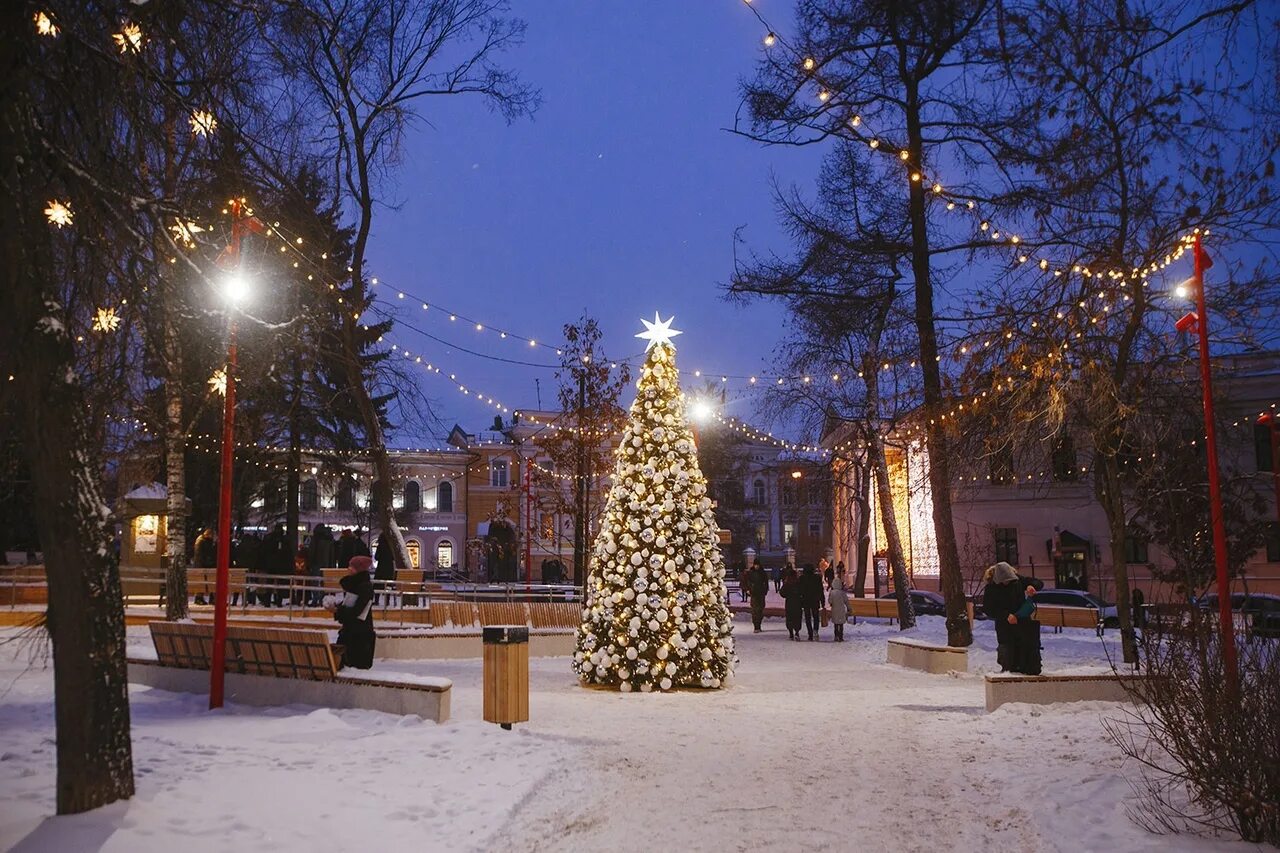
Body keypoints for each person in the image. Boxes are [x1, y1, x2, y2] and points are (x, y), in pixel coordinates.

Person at [333, 554, 377, 669]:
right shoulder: (354, 585)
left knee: (353, 666)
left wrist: (338, 611)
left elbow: (357, 610)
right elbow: (349, 605)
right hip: (350, 632)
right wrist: (337, 609)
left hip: (359, 636)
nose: (348, 569)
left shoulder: (364, 587)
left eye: (351, 566)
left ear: (358, 569)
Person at [982, 561, 1027, 672]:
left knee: (1020, 647)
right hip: (1004, 624)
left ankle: (1019, 667)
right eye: (1005, 580)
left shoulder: (1016, 582)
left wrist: (1030, 586)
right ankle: (1007, 668)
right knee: (1006, 647)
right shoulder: (991, 588)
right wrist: (1006, 615)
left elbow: (1037, 583)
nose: (1007, 582)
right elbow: (988, 609)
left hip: (1019, 621)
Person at [1008, 584, 1043, 675]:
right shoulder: (1027, 598)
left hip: (1019, 626)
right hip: (1027, 627)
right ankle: (1029, 665)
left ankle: (1024, 665)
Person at [306, 523, 335, 606]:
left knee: (315, 582)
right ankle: (322, 600)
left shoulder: (316, 539)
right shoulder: (330, 539)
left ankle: (315, 599)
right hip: (327, 564)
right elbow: (332, 554)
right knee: (324, 583)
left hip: (316, 563)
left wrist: (310, 563)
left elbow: (312, 552)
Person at [798, 564, 824, 641]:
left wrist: (800, 601)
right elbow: (820, 590)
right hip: (815, 600)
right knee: (816, 617)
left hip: (806, 600)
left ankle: (810, 633)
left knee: (807, 617)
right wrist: (822, 601)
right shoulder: (817, 578)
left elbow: (800, 591)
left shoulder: (802, 578)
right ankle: (815, 630)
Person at [192, 528, 216, 605]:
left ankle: (200, 598)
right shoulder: (203, 542)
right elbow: (204, 554)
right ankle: (200, 598)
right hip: (203, 565)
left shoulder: (201, 541)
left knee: (204, 582)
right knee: (204, 582)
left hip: (201, 564)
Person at [780, 565, 802, 640]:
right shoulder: (798, 583)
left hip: (789, 602)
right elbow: (802, 592)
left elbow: (782, 593)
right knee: (797, 617)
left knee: (789, 617)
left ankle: (791, 633)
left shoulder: (787, 583)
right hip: (797, 602)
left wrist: (787, 595)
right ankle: (797, 632)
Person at [374, 532, 396, 606]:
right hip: (389, 568)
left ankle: (376, 600)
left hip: (381, 567)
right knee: (388, 585)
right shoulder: (391, 547)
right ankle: (387, 601)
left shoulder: (380, 546)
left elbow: (376, 557)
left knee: (377, 584)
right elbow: (393, 557)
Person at [748, 561, 770, 633]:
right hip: (754, 593)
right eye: (755, 565)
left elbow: (766, 582)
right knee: (755, 610)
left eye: (757, 565)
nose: (756, 566)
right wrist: (749, 589)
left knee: (760, 609)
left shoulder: (762, 573)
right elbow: (748, 582)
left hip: (761, 593)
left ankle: (759, 624)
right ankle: (756, 626)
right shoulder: (751, 573)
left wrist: (765, 590)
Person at [828, 569, 849, 642]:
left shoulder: (832, 593)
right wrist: (849, 608)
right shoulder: (842, 593)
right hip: (841, 609)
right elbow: (846, 601)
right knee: (841, 624)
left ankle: (836, 635)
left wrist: (831, 603)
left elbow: (830, 601)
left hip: (834, 610)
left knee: (836, 624)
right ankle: (841, 636)